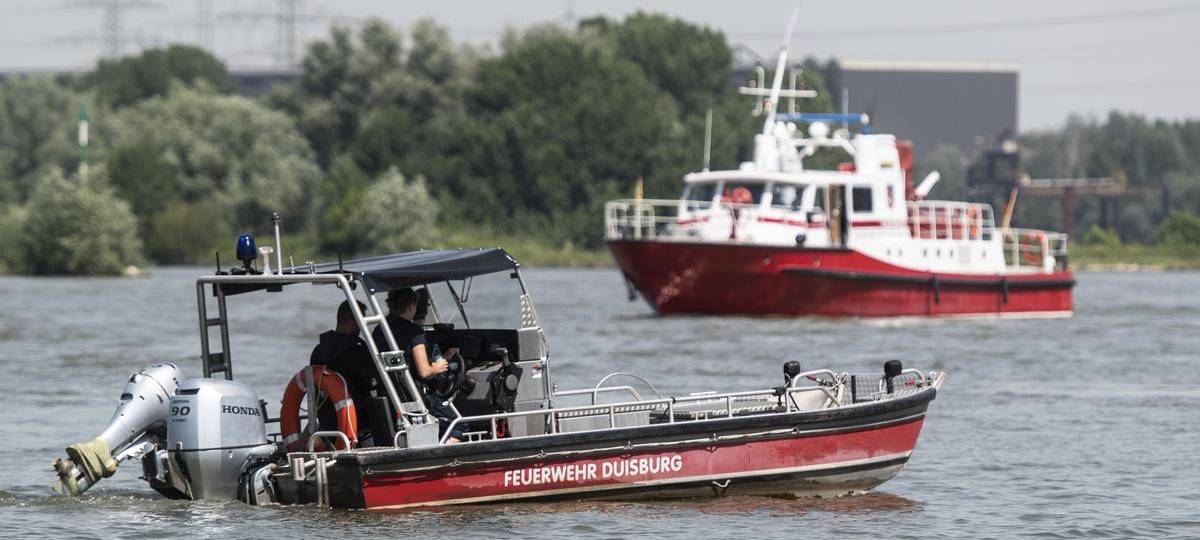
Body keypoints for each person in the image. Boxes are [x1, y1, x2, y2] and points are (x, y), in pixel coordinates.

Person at [373, 287, 463, 443]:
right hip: (414, 398)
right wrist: (440, 365)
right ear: (411, 306)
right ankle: (443, 452)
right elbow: (425, 372)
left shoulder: (379, 330)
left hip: (389, 395)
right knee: (459, 425)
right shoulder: (414, 332)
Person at [310, 300, 379, 443]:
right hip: (358, 421)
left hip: (327, 421)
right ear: (351, 321)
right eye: (361, 320)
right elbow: (373, 384)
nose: (362, 326)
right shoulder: (359, 350)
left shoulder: (319, 350)